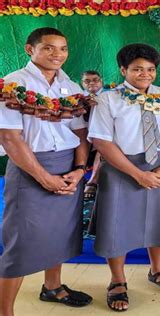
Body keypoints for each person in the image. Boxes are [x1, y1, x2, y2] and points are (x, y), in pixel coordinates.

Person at [0, 27, 92, 316]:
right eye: (49, 48)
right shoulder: (14, 84)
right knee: (21, 240)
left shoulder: (71, 86)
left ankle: (53, 287)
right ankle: (6, 311)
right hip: (30, 168)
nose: (58, 54)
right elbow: (10, 138)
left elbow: (81, 134)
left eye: (63, 48)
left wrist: (79, 171)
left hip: (67, 168)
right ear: (30, 49)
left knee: (61, 234)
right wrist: (44, 177)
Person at [88, 43, 160, 312]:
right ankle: (118, 281)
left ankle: (157, 270)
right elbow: (102, 141)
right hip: (122, 168)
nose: (145, 74)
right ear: (123, 70)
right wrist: (137, 174)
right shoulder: (108, 99)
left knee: (158, 221)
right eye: (137, 69)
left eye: (151, 69)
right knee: (116, 224)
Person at [80, 70, 104, 201]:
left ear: (101, 81)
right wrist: (84, 106)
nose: (92, 83)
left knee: (104, 145)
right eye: (87, 81)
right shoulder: (78, 98)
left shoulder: (110, 96)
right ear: (82, 83)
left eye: (95, 80)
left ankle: (93, 180)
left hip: (104, 134)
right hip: (84, 133)